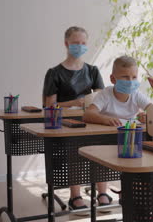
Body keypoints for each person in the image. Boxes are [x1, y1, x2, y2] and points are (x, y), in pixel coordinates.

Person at [42, 26, 107, 211]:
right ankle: (75, 196)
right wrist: (74, 102)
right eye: (76, 43)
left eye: (83, 43)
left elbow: (101, 99)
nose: (80, 46)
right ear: (66, 44)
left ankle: (102, 192)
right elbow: (50, 107)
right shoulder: (55, 73)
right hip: (66, 123)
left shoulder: (92, 71)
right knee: (75, 152)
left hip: (90, 119)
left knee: (100, 149)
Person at [83, 55, 151, 126]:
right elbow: (87, 115)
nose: (130, 82)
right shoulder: (105, 94)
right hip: (108, 134)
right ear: (113, 79)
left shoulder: (137, 95)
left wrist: (146, 116)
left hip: (130, 133)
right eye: (125, 77)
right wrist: (105, 119)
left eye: (134, 77)